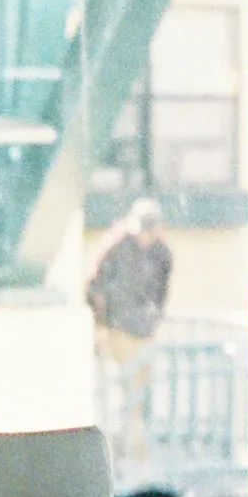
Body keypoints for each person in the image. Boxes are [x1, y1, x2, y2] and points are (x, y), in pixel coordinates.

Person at [87, 199, 172, 466]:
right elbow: (93, 288)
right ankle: (134, 456)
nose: (146, 236)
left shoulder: (162, 254)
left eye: (151, 229)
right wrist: (103, 323)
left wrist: (153, 318)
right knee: (129, 392)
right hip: (119, 330)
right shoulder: (116, 248)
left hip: (145, 332)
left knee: (143, 393)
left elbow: (161, 292)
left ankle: (136, 453)